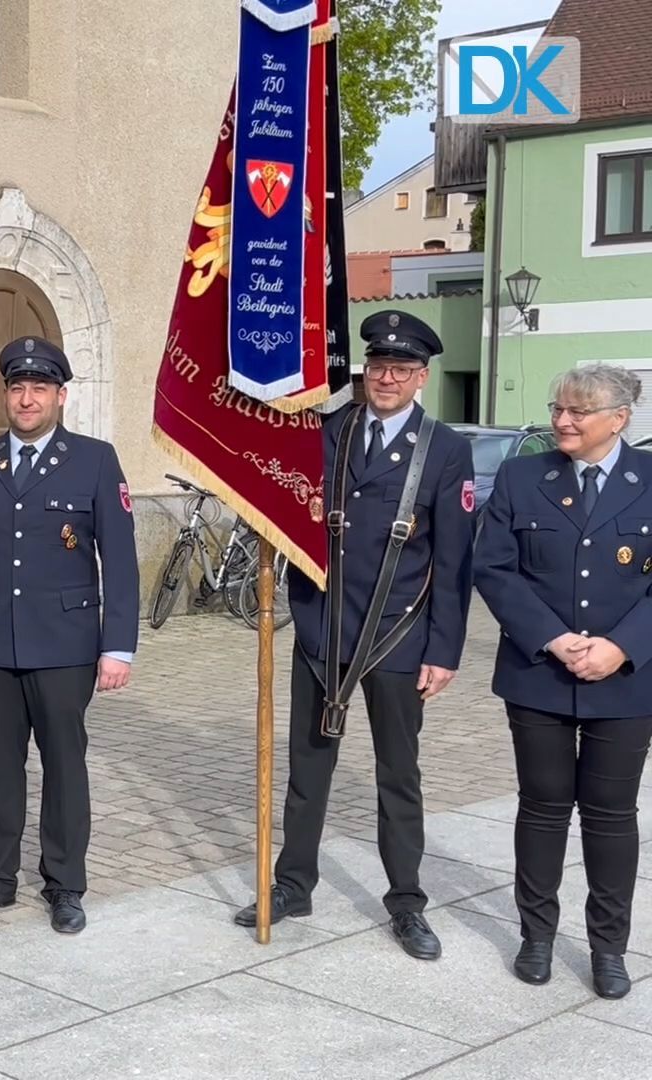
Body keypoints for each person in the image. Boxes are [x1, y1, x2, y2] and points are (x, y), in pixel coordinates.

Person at [232, 310, 474, 962]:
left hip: (397, 637)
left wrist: (444, 651)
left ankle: (407, 904)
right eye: (378, 366)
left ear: (421, 377)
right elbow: (285, 502)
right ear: (364, 370)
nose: (386, 377)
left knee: (399, 777)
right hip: (322, 631)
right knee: (307, 771)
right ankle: (293, 884)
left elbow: (454, 563)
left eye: (401, 369)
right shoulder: (327, 431)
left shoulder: (444, 449)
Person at [0, 335, 138, 933]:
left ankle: (65, 884)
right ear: (6, 395)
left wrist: (117, 646)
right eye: (17, 387)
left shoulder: (95, 461)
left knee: (65, 765)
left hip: (66, 646)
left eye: (39, 388)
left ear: (60, 397)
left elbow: (119, 560)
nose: (26, 398)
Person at [476, 361, 652, 1000]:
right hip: (539, 675)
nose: (562, 420)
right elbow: (493, 568)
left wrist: (620, 648)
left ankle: (609, 948)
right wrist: (553, 638)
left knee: (610, 817)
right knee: (543, 808)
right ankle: (537, 937)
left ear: (619, 418)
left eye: (578, 411)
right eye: (558, 408)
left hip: (626, 683)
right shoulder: (525, 476)